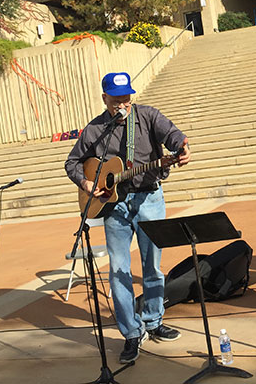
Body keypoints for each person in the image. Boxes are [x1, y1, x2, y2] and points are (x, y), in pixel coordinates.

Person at [65, 71, 191, 363]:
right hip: (114, 207)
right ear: (104, 98)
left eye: (126, 99)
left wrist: (181, 146)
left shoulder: (147, 116)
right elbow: (72, 162)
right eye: (116, 100)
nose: (122, 105)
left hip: (149, 197)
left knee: (152, 265)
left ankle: (153, 320)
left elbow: (172, 134)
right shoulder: (96, 129)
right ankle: (131, 334)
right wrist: (86, 183)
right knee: (119, 269)